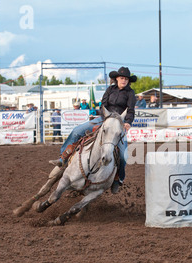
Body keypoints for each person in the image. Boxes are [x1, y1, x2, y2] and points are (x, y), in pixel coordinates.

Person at [49, 66, 137, 194]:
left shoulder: (130, 93)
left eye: (126, 79)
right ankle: (63, 158)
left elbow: (131, 110)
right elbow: (103, 105)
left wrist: (128, 122)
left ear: (129, 81)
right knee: (77, 131)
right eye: (122, 78)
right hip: (103, 119)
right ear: (116, 79)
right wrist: (104, 115)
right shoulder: (110, 89)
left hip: (118, 124)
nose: (124, 80)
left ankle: (118, 179)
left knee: (123, 155)